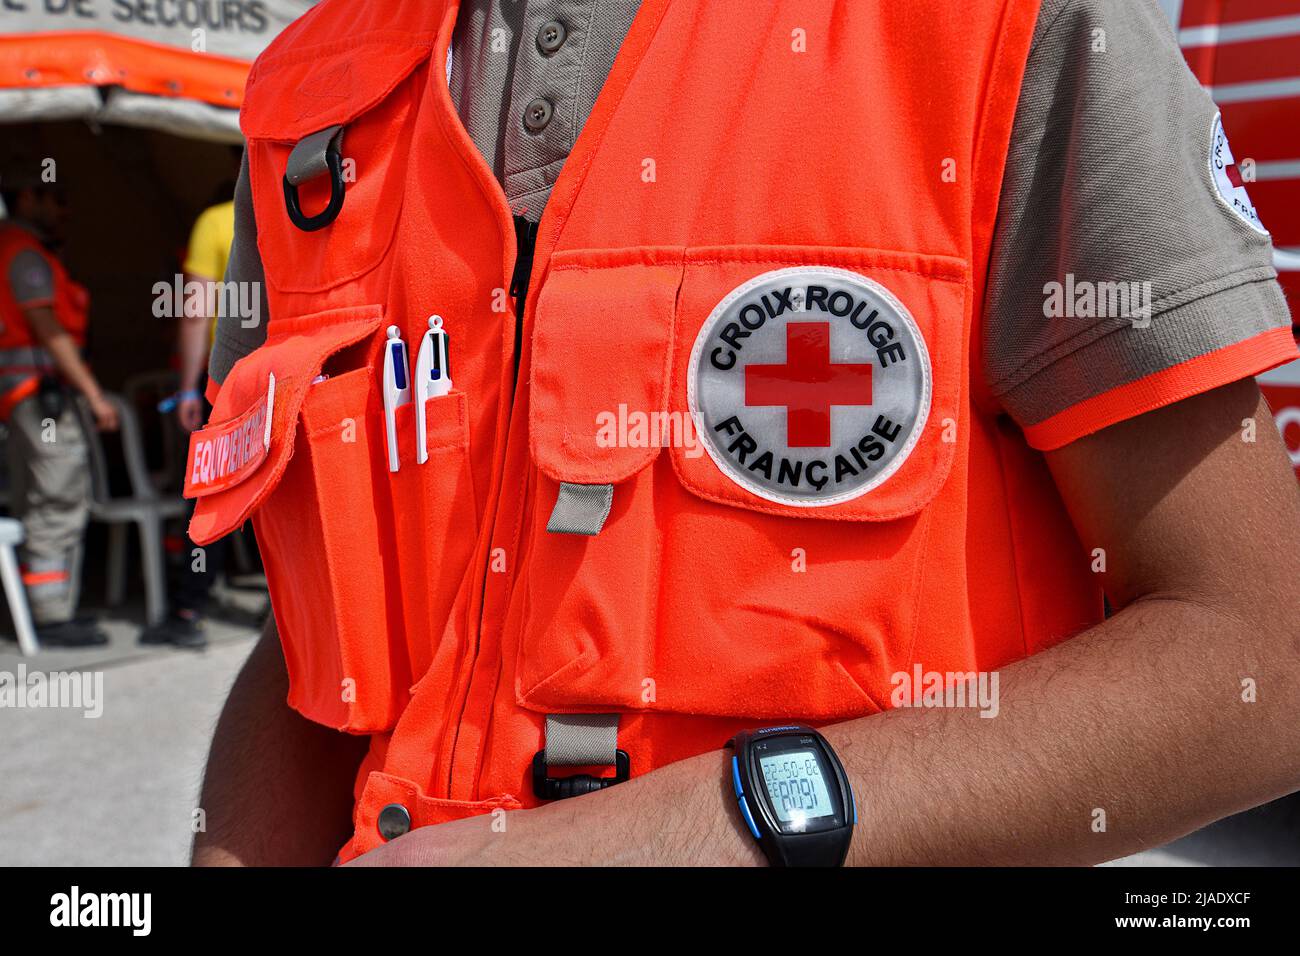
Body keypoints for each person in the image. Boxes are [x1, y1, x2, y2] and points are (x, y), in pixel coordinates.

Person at [192, 0, 1300, 867]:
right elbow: (321, 644)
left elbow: (1259, 654)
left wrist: (700, 831)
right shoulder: (312, 93)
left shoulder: (998, 23)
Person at [0, 176, 118, 647]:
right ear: (28, 198)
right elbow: (48, 330)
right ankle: (51, 616)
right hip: (39, 398)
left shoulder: (12, 247)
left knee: (36, 497)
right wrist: (93, 394)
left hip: (22, 399)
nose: (65, 210)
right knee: (58, 496)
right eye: (58, 199)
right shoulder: (23, 253)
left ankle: (40, 609)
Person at [139, 191, 236, 650]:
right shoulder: (305, 203)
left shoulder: (215, 221)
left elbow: (196, 313)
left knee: (208, 498)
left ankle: (187, 611)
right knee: (283, 497)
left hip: (229, 381)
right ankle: (281, 614)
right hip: (295, 373)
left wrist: (187, 388)